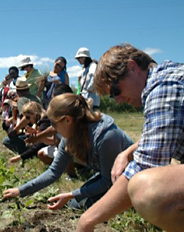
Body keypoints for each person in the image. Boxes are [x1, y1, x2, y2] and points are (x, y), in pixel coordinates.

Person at [75, 44, 184, 232]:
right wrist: (127, 151)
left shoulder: (163, 88)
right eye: (111, 96)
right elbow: (164, 134)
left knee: (145, 189)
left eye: (116, 90)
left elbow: (147, 165)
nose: (117, 100)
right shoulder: (168, 77)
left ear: (133, 67)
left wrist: (87, 220)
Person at [3, 93, 133, 210]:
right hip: (109, 176)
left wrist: (72, 194)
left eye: (54, 124)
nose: (53, 128)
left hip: (130, 177)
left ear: (67, 120)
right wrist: (21, 191)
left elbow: (107, 181)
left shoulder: (106, 137)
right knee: (75, 205)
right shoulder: (71, 135)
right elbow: (54, 171)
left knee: (89, 206)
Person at [2, 77, 41, 154]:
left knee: (6, 141)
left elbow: (26, 118)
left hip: (31, 131)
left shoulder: (21, 100)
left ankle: (27, 151)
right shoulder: (37, 98)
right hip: (40, 128)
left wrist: (15, 130)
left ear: (17, 91)